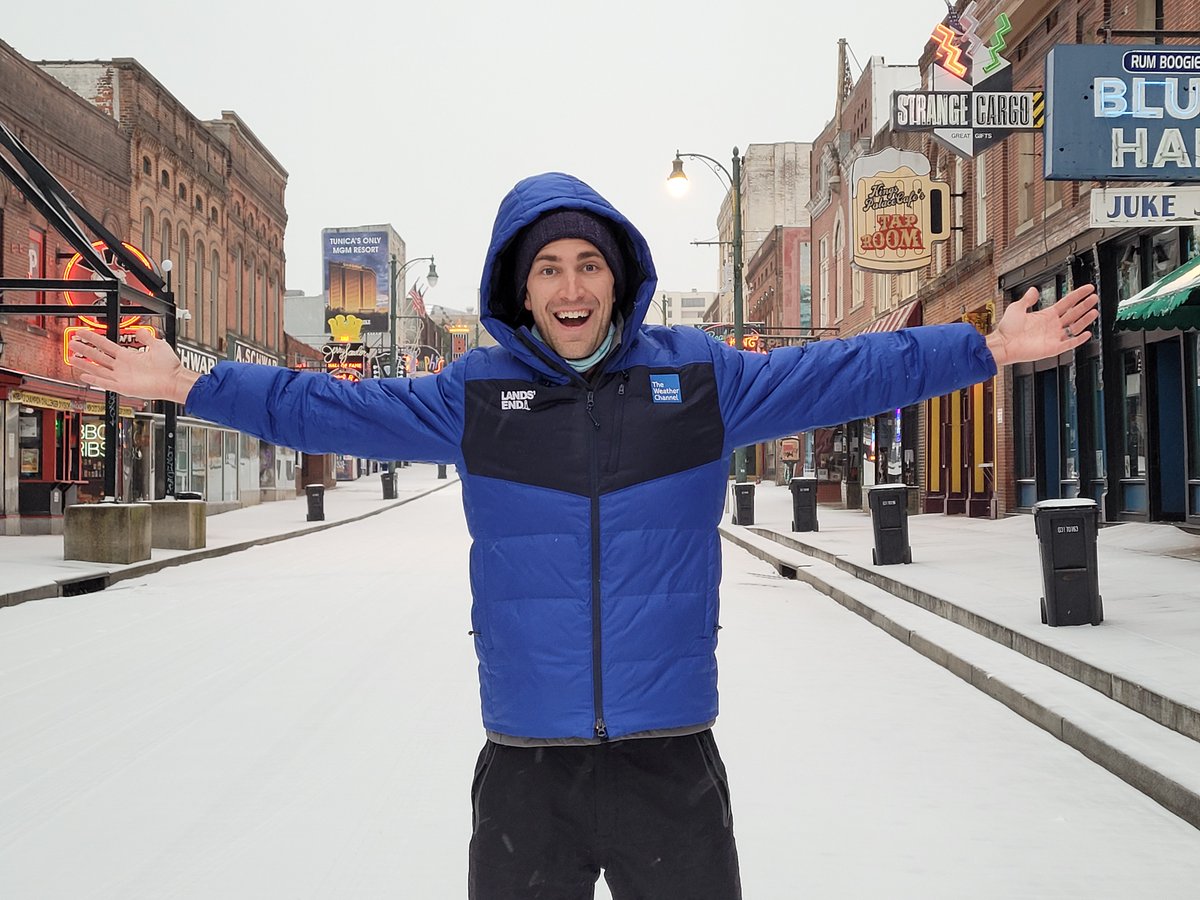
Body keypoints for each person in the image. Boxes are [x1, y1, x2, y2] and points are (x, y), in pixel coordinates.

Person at [68, 171, 1099, 899]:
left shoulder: (697, 378)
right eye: (549, 269)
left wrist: (985, 348)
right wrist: (188, 380)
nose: (571, 288)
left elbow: (840, 371)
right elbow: (322, 406)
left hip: (669, 758)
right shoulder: (474, 396)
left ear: (619, 277)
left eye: (588, 265)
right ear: (520, 289)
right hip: (528, 764)